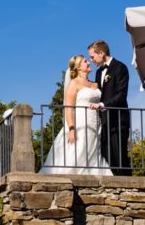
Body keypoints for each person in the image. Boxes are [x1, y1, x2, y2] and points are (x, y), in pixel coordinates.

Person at [40, 55, 112, 175]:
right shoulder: (74, 84)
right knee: (79, 149)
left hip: (96, 122)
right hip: (80, 122)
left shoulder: (95, 84)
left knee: (93, 150)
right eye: (85, 61)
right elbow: (68, 108)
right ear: (78, 67)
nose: (89, 63)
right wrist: (71, 129)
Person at [88, 39, 131, 176]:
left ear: (101, 53)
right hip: (104, 122)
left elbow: (121, 95)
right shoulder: (98, 73)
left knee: (120, 157)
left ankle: (127, 188)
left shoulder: (120, 67)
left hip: (118, 120)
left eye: (92, 56)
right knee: (107, 158)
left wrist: (103, 105)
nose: (91, 60)